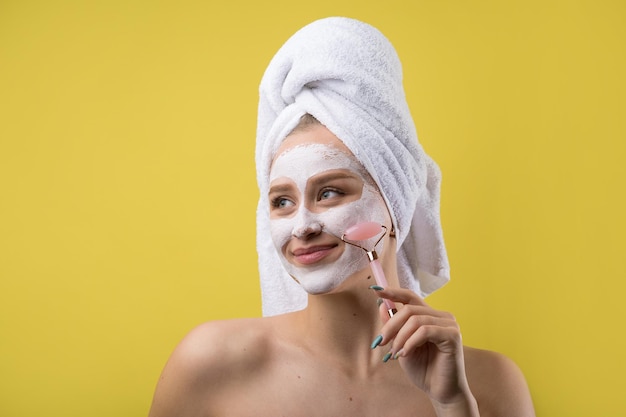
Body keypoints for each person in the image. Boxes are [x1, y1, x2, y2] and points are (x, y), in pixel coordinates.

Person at [148, 17, 535, 416]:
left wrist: (452, 405)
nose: (302, 226)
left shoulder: (489, 383)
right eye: (281, 201)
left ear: (396, 199)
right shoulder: (210, 366)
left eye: (329, 192)